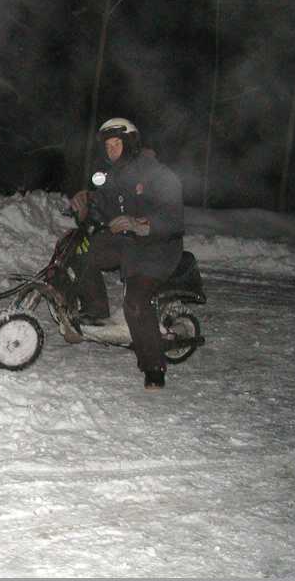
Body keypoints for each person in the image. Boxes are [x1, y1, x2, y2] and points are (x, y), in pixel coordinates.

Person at [69, 117, 184, 390]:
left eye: (116, 144)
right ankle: (97, 310)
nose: (111, 150)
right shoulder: (111, 177)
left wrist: (139, 224)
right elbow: (103, 213)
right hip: (126, 243)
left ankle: (153, 367)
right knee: (81, 252)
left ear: (130, 143)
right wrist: (84, 207)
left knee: (135, 303)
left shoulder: (158, 174)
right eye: (107, 145)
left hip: (158, 248)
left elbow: (173, 219)